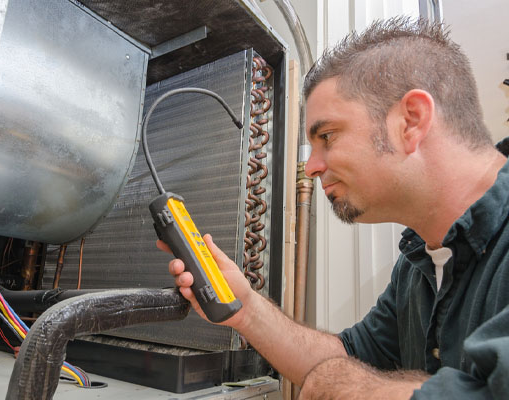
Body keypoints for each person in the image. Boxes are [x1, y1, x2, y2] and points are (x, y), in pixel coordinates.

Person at [159, 17, 509, 399]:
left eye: (327, 136)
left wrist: (357, 389)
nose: (311, 167)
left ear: (411, 121)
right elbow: (349, 356)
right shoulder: (416, 264)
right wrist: (245, 309)